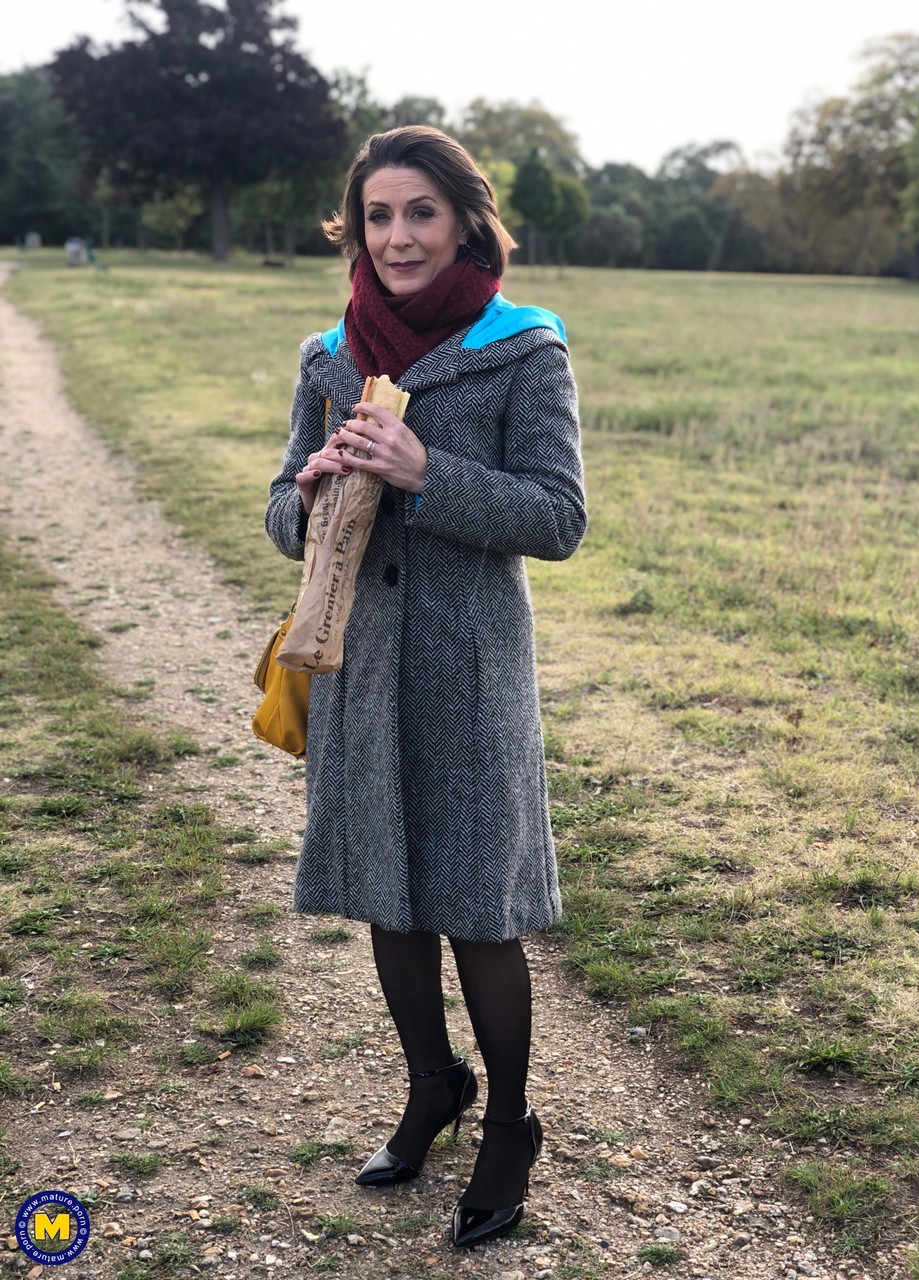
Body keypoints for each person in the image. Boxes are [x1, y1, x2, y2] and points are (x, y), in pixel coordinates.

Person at [264, 125, 587, 1248]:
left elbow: (558, 517)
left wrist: (426, 472)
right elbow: (275, 508)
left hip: (470, 673)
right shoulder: (328, 354)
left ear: (463, 221)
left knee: (476, 911)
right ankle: (429, 1082)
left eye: (419, 214)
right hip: (358, 665)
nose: (396, 237)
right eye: (376, 216)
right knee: (385, 895)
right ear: (356, 230)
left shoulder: (524, 347)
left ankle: (510, 1121)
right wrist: (305, 495)